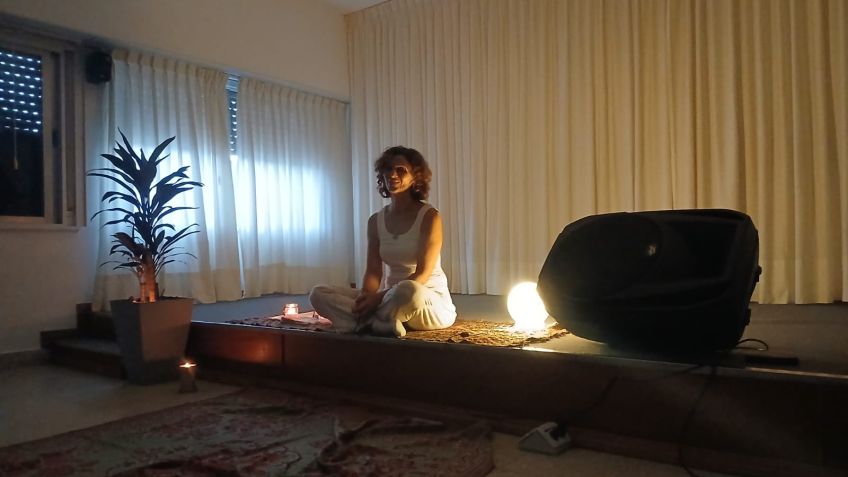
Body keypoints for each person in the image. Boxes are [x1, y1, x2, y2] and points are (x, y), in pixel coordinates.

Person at [309, 146, 456, 337]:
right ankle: (379, 321)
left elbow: (422, 274)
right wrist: (366, 298)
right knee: (318, 293)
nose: (392, 175)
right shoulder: (375, 221)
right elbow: (373, 272)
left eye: (401, 170)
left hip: (425, 299)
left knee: (408, 290)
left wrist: (378, 299)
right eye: (388, 169)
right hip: (388, 299)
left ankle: (361, 322)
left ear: (415, 177)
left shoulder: (430, 217)